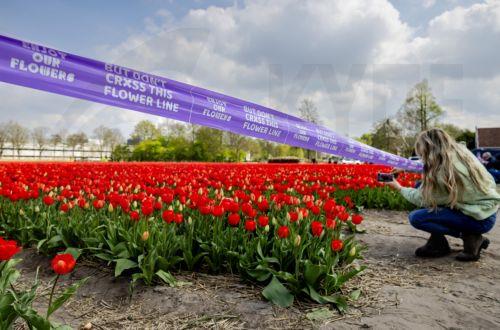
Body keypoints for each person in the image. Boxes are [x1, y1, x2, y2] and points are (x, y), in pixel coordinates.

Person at [386, 128, 500, 261]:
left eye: (423, 152)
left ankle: (470, 237)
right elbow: (428, 163)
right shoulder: (460, 152)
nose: (422, 156)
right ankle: (438, 242)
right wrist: (406, 167)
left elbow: (422, 199)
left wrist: (399, 187)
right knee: (420, 186)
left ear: (429, 150)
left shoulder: (442, 174)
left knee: (417, 218)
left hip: (478, 219)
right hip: (487, 212)